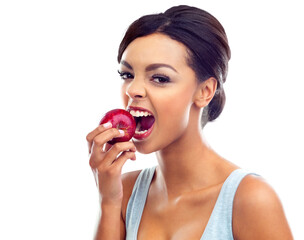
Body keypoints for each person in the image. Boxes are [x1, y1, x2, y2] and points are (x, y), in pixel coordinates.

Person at [86, 5, 293, 240]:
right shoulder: (124, 192)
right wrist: (108, 202)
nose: (133, 90)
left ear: (205, 91)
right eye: (127, 75)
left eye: (160, 78)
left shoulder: (250, 199)